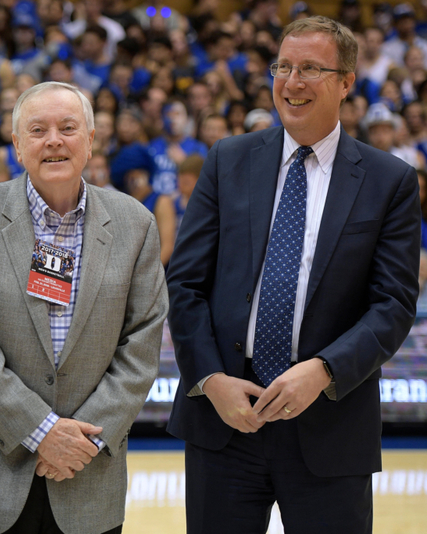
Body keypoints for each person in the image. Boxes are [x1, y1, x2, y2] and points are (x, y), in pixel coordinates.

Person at [166, 16, 421, 534]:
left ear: (346, 82)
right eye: (283, 67)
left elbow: (393, 304)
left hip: (329, 422)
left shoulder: (389, 180)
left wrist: (324, 369)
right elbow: (185, 284)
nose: (292, 82)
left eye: (310, 68)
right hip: (225, 421)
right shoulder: (226, 160)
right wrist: (211, 380)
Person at [0, 81, 167, 534]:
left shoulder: (136, 223)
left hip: (86, 472)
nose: (53, 140)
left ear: (91, 141)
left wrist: (80, 442)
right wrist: (42, 431)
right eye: (37, 130)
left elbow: (142, 343)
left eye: (68, 127)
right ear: (17, 146)